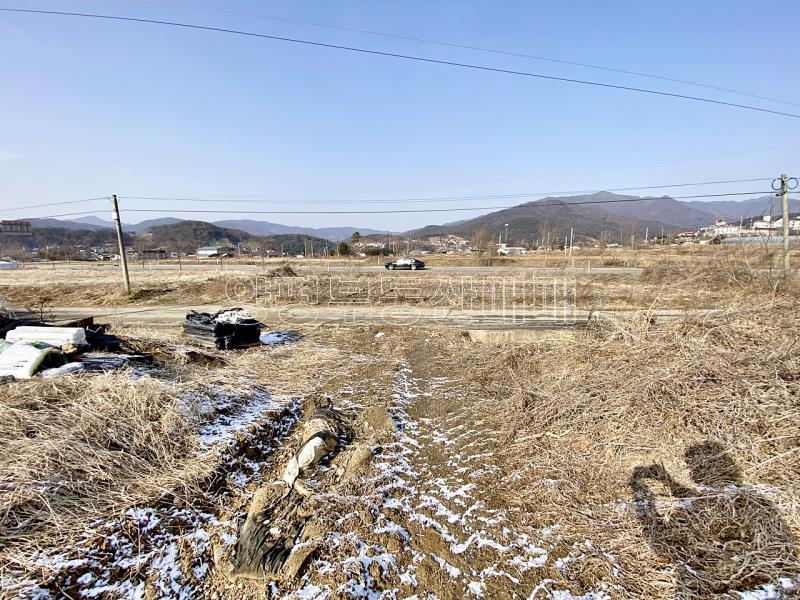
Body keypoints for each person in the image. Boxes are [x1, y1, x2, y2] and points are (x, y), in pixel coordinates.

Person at [630, 441, 799, 598]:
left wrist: (641, 491)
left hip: (725, 586)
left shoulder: (750, 505)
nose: (692, 471)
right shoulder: (753, 503)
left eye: (691, 466)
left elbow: (660, 544)